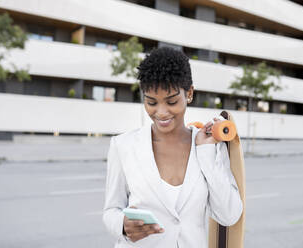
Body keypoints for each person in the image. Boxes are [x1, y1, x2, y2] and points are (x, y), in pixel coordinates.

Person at [103, 47, 243, 248]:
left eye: (171, 101)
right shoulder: (123, 145)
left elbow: (229, 215)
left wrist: (205, 152)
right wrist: (122, 226)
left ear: (189, 94)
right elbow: (111, 211)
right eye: (151, 102)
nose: (161, 112)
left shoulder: (209, 145)